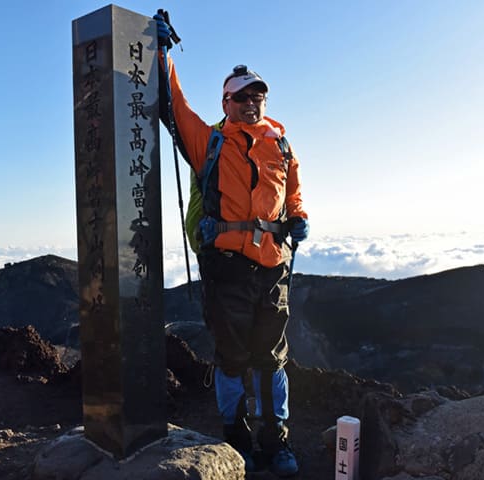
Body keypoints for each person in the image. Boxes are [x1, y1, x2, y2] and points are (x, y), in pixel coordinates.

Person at [155, 14, 309, 477]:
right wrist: (161, 54)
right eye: (243, 95)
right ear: (227, 100)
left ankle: (276, 441)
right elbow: (173, 107)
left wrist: (298, 217)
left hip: (273, 267)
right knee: (232, 358)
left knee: (272, 359)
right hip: (228, 268)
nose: (252, 101)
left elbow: (294, 191)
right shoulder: (211, 143)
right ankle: (236, 438)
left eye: (258, 94)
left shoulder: (280, 144)